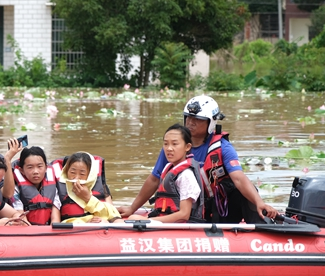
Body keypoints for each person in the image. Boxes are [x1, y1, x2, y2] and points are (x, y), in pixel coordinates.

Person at [118, 95, 278, 224]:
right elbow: (154, 179)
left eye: (197, 120)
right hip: (187, 208)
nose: (190, 123)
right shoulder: (173, 147)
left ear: (211, 122)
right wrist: (132, 208)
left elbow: (239, 179)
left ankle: (262, 227)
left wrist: (259, 202)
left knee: (242, 192)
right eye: (188, 118)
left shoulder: (222, 147)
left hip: (219, 211)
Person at [129, 124, 202, 223]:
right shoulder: (168, 168)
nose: (169, 148)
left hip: (179, 227)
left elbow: (184, 215)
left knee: (131, 219)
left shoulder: (186, 175)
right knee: (126, 219)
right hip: (164, 218)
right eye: (166, 144)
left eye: (175, 144)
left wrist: (148, 220)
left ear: (187, 147)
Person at [52, 152, 121, 223]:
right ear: (66, 171)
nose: (76, 177)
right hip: (74, 229)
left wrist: (88, 198)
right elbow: (56, 221)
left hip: (100, 224)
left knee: (117, 222)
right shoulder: (58, 188)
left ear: (90, 174)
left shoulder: (100, 186)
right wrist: (86, 223)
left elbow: (113, 215)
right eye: (72, 172)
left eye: (82, 174)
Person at [11, 146, 61, 225]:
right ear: (21, 170)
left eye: (39, 166)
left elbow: (55, 218)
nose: (35, 171)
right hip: (26, 227)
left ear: (46, 168)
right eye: (30, 167)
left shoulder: (54, 188)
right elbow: (21, 216)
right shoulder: (15, 188)